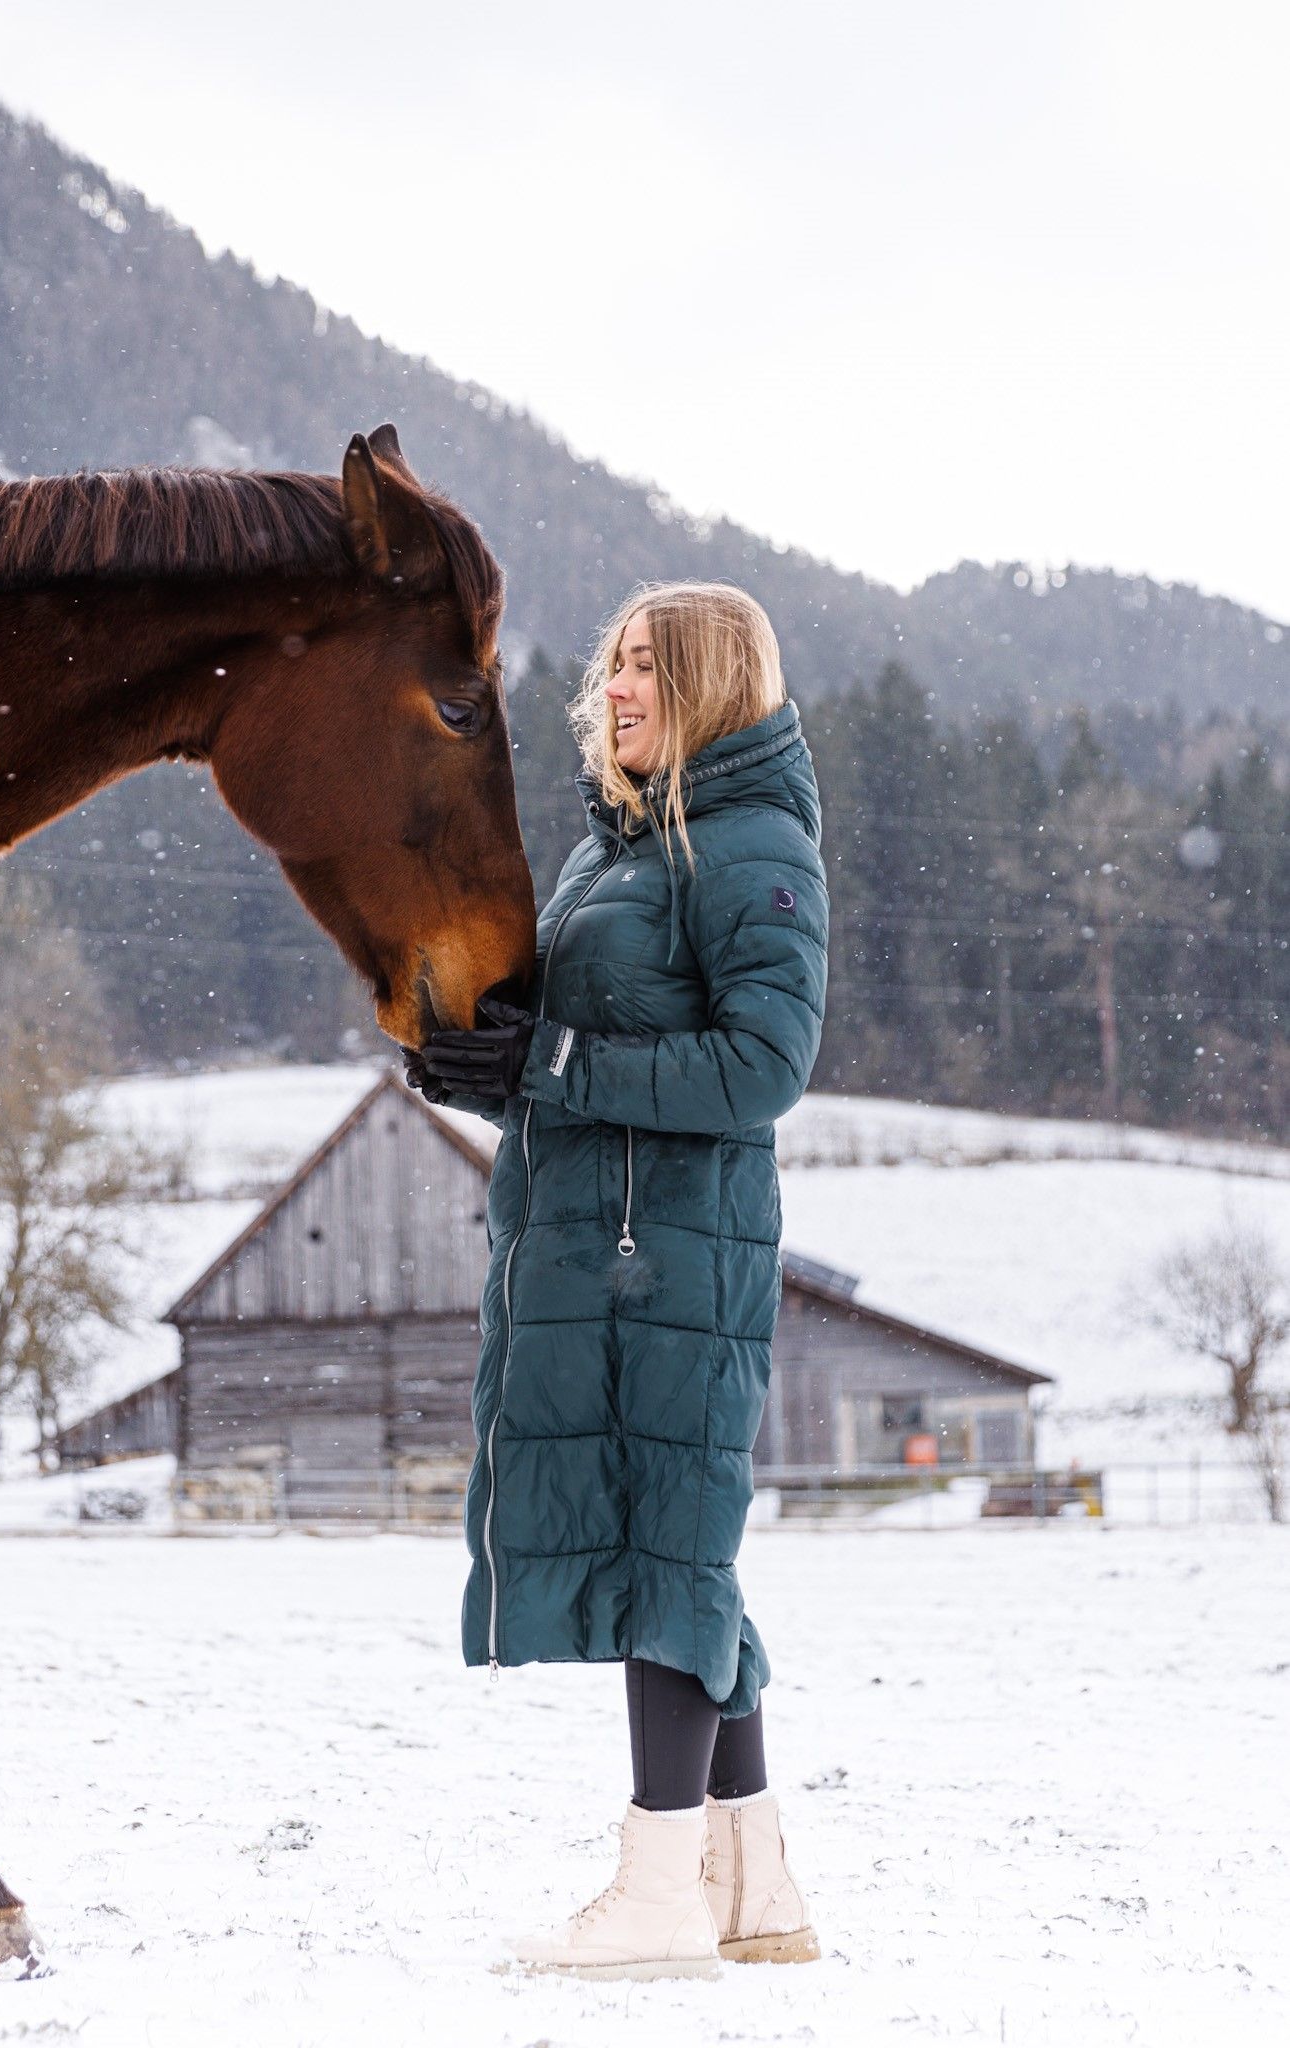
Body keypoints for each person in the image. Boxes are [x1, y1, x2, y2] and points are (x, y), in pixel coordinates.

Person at [405, 580, 828, 1980]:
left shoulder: (749, 842)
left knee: (673, 1549)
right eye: (615, 666)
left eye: (649, 669)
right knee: (680, 1548)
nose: (619, 689)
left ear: (710, 686)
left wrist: (554, 1068)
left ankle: (655, 1892)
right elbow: (580, 1047)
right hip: (593, 1244)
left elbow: (760, 1067)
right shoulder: (620, 847)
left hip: (676, 1254)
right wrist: (489, 1061)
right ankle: (751, 1882)